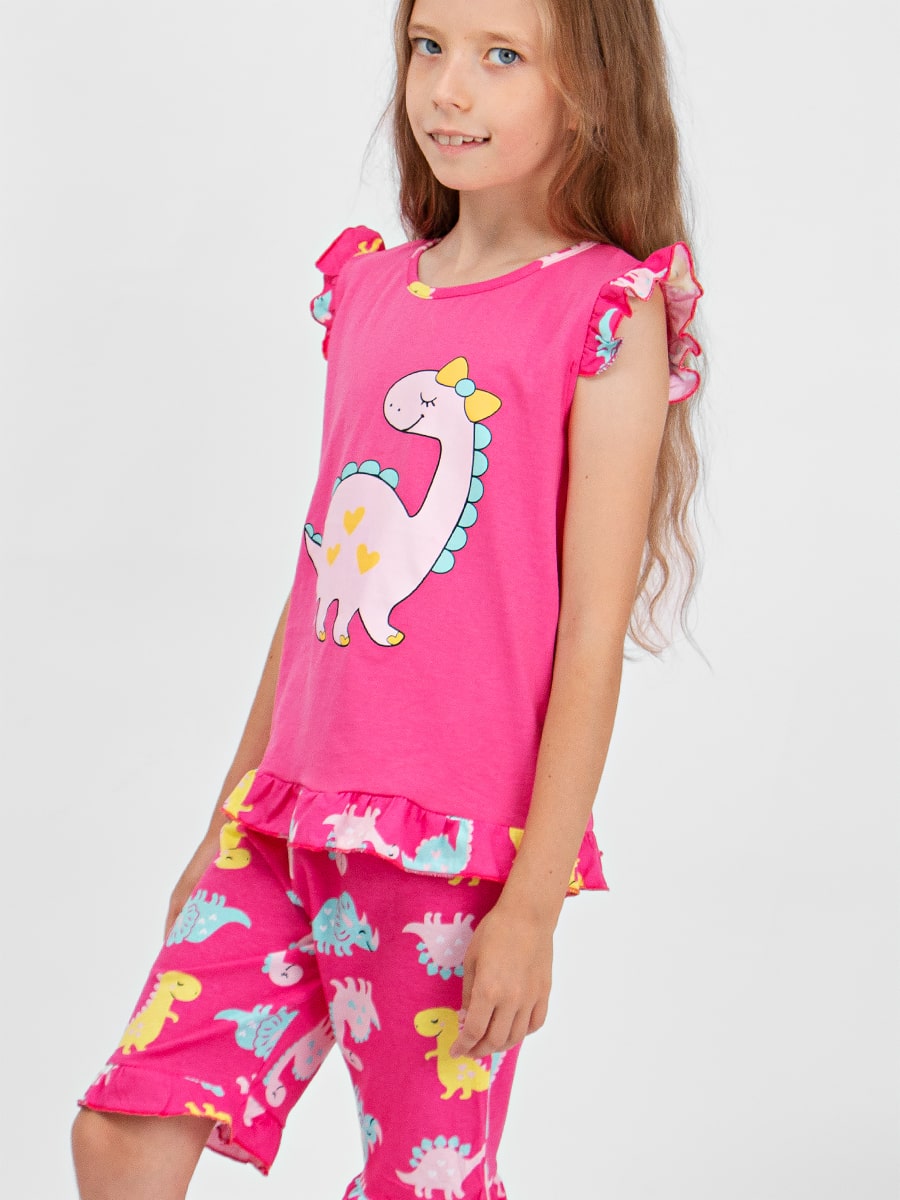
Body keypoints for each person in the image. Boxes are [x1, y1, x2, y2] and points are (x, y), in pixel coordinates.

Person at [71, 0, 704, 1196]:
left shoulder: (605, 312)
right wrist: (225, 819)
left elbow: (590, 636)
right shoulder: (369, 288)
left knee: (423, 1181)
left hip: (447, 846)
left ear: (590, 89)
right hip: (286, 819)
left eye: (501, 57)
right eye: (429, 48)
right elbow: (321, 579)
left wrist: (533, 904)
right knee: (122, 1127)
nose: (448, 90)